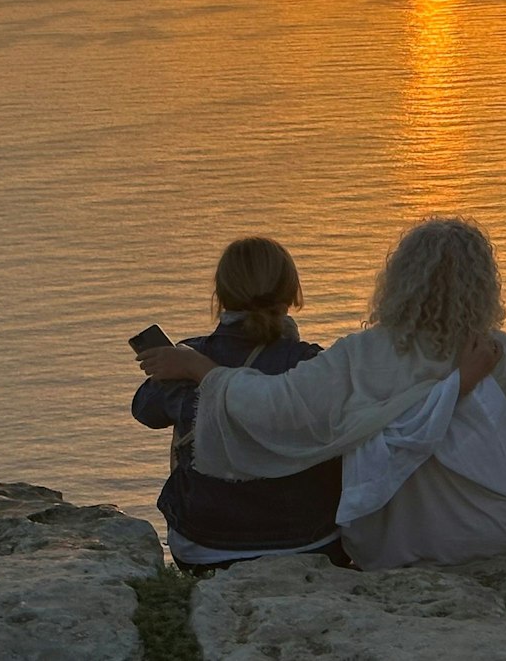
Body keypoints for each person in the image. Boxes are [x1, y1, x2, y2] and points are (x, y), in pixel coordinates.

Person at [137, 217, 506, 569]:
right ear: (483, 285)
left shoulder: (359, 355)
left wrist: (202, 369)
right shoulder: (497, 351)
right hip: (490, 538)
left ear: (399, 280)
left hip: (385, 544)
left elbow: (272, 408)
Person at [129, 237, 345, 571]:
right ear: (291, 293)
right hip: (308, 542)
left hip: (204, 547)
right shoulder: (312, 364)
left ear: (221, 296)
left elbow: (145, 411)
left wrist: (177, 372)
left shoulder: (186, 358)